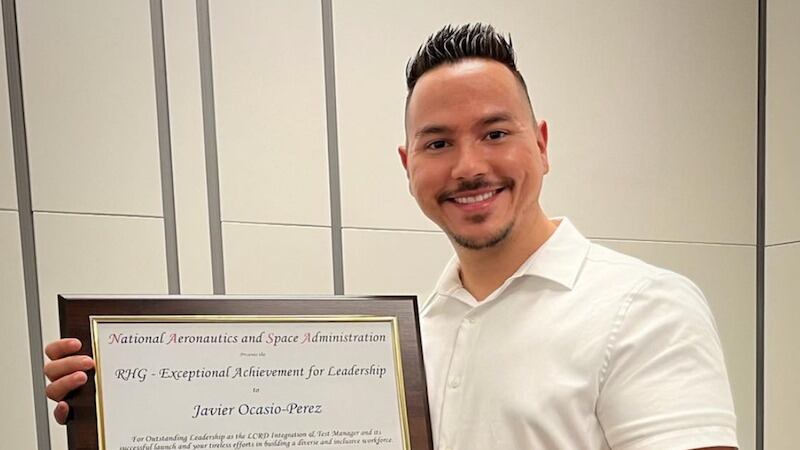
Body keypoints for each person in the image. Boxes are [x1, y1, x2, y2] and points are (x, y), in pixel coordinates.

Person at [44, 23, 737, 449]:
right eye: (438, 142)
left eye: (495, 132)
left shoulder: (643, 309)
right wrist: (122, 403)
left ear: (543, 144)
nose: (469, 166)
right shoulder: (403, 343)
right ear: (408, 166)